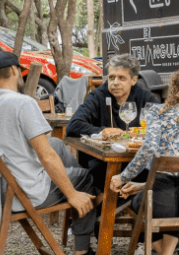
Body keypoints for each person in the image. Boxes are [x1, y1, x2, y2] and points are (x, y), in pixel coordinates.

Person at [0, 51, 97, 255]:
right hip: (19, 192)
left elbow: (49, 150)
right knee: (86, 177)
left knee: (56, 144)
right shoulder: (22, 103)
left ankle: (80, 210)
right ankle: (83, 248)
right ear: (15, 71)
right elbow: (46, 157)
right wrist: (71, 194)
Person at [110, 65, 179, 255]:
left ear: (176, 86)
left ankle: (162, 251)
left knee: (142, 203)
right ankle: (166, 253)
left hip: (160, 202)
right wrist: (144, 184)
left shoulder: (157, 112)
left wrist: (123, 177)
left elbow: (148, 149)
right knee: (173, 202)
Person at [66, 54, 160, 190]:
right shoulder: (98, 96)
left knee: (154, 176)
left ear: (133, 80)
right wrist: (103, 131)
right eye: (111, 77)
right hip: (103, 162)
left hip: (136, 161)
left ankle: (130, 205)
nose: (115, 82)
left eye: (122, 78)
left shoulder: (145, 97)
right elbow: (73, 125)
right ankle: (109, 208)